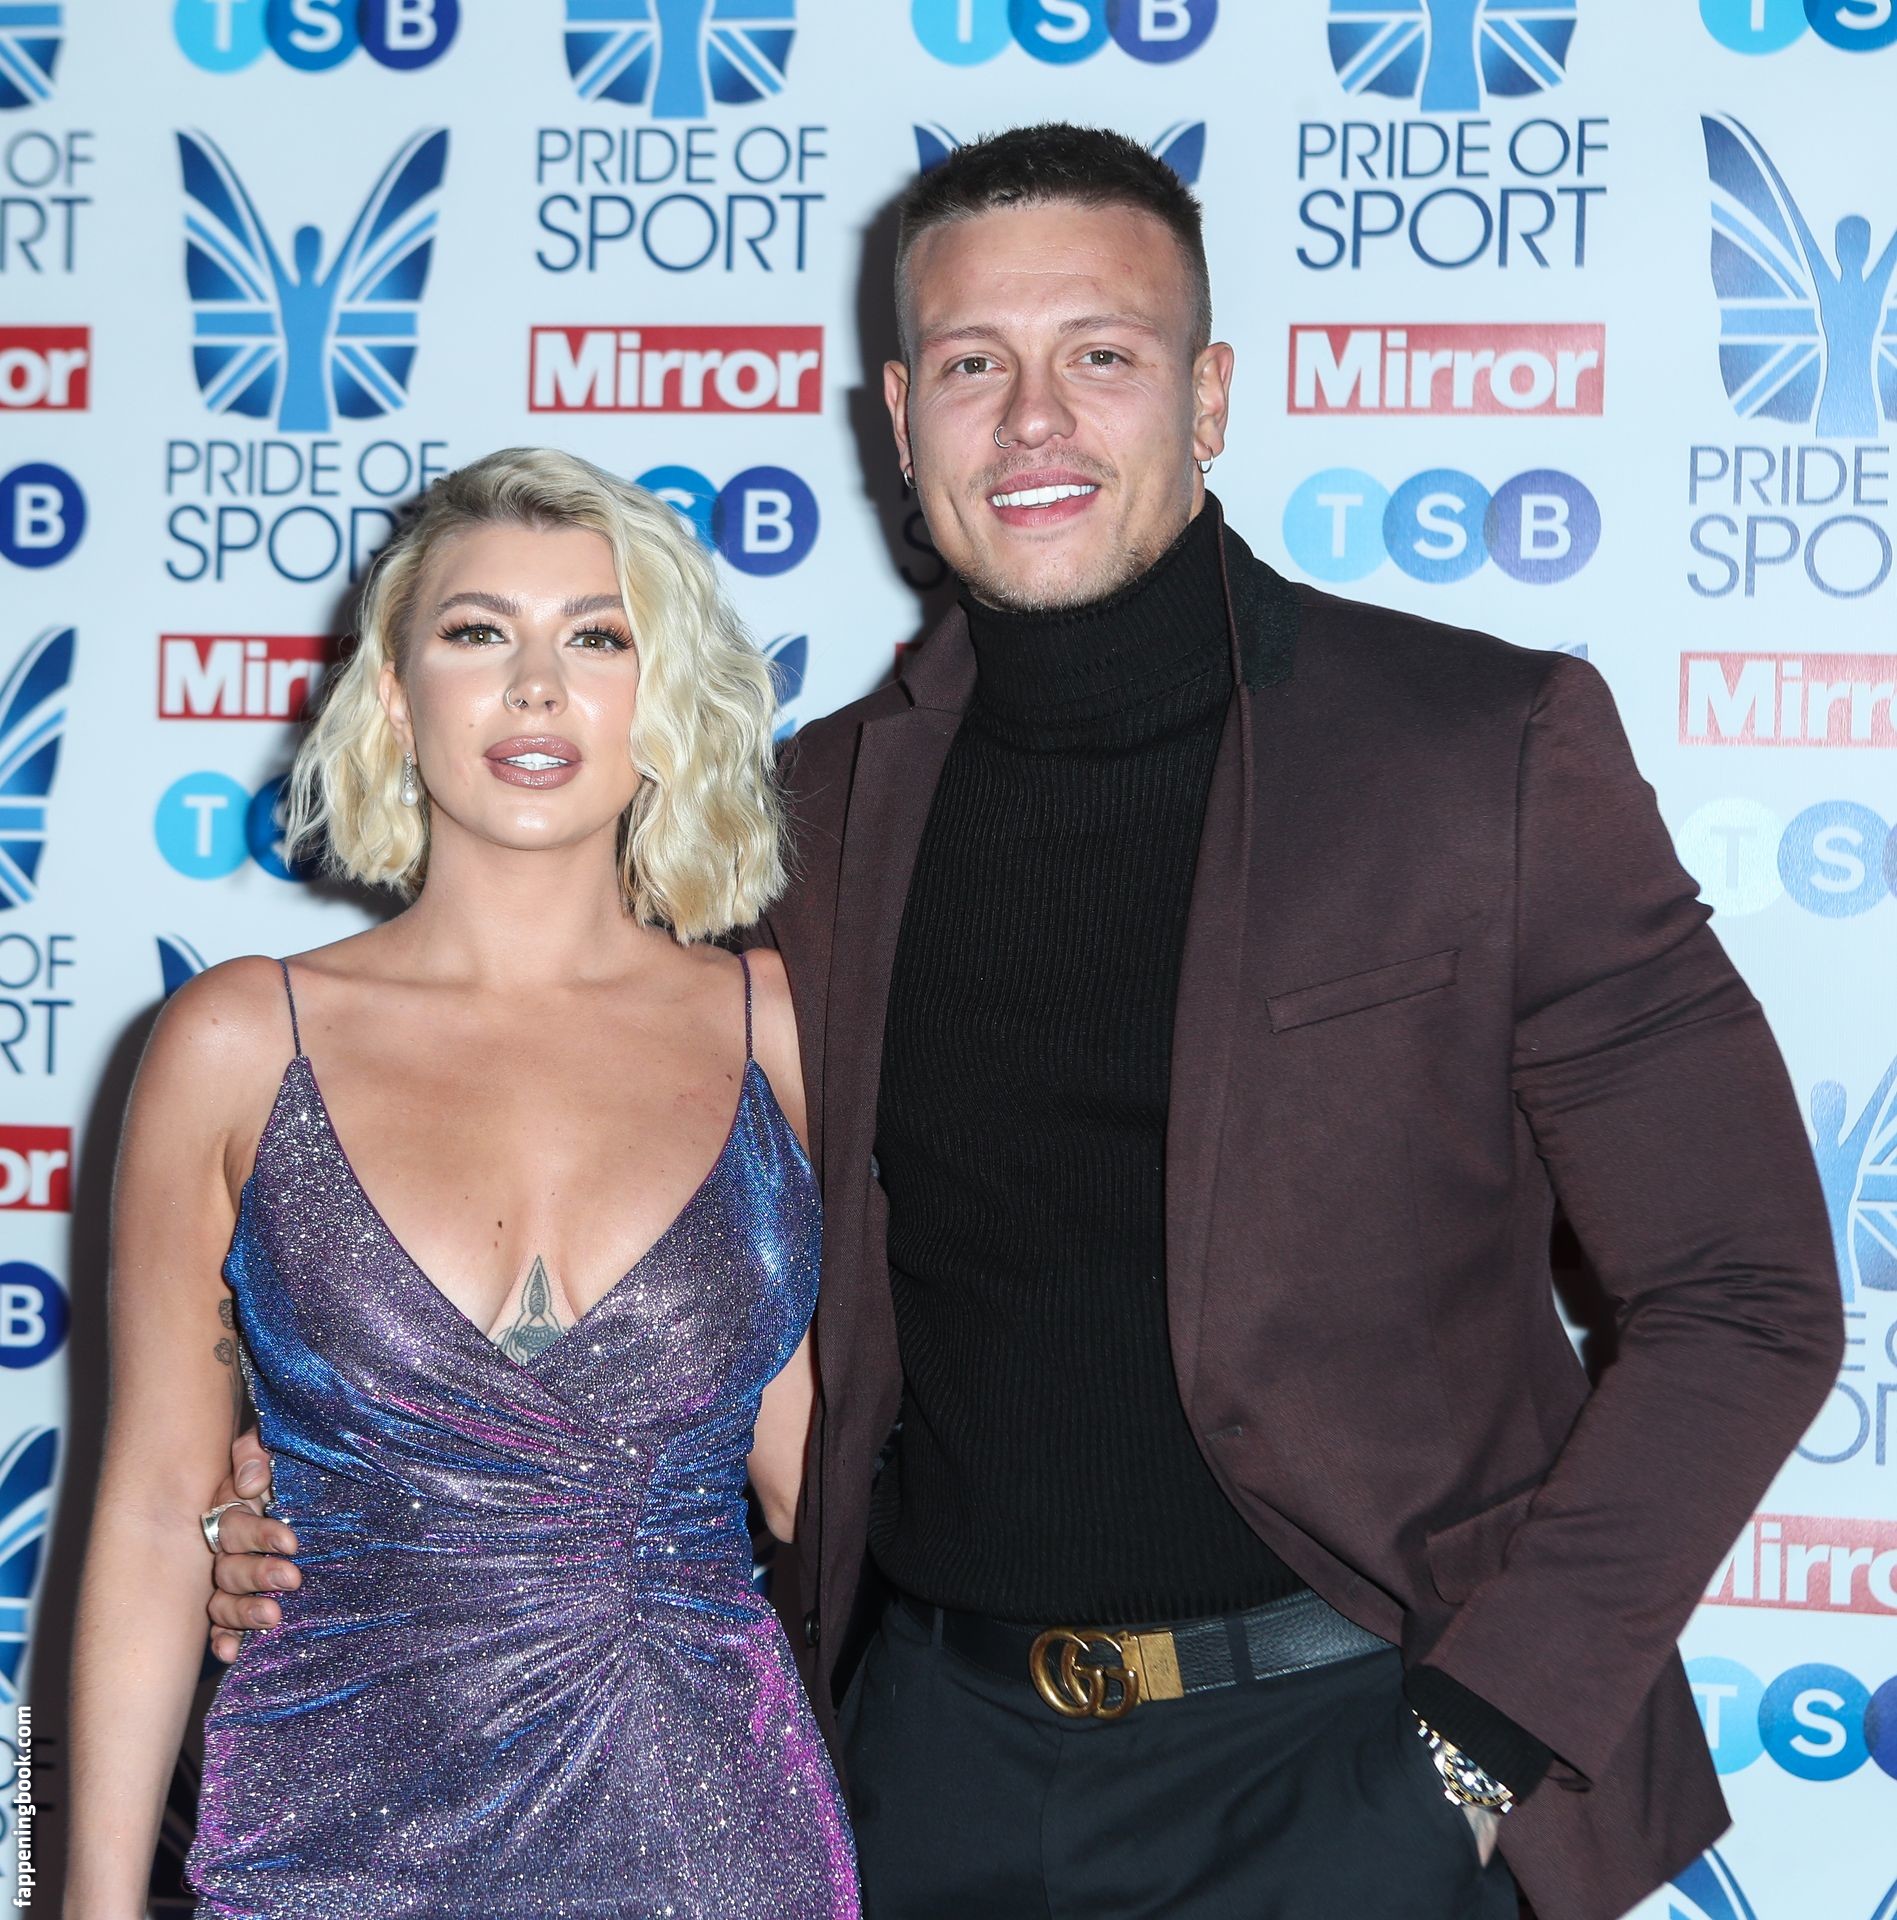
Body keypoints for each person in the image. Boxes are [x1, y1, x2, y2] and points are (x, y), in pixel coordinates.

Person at [208, 127, 1843, 1920]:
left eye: (1102, 355)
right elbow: (575, 1176)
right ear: (902, 421)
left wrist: (1466, 1757)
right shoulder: (808, 819)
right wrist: (322, 1491)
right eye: (975, 364)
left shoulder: (1478, 752)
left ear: (1206, 397)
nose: (1034, 420)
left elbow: (1745, 1296)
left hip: (1346, 1758)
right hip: (928, 1767)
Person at [68, 448, 858, 1919]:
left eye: (598, 636)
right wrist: (88, 1905)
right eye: (478, 632)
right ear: (394, 694)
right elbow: (156, 1506)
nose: (536, 687)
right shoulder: (238, 1041)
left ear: (663, 699)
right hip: (322, 1845)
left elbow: (832, 1480)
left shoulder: (786, 1034)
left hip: (708, 1843)